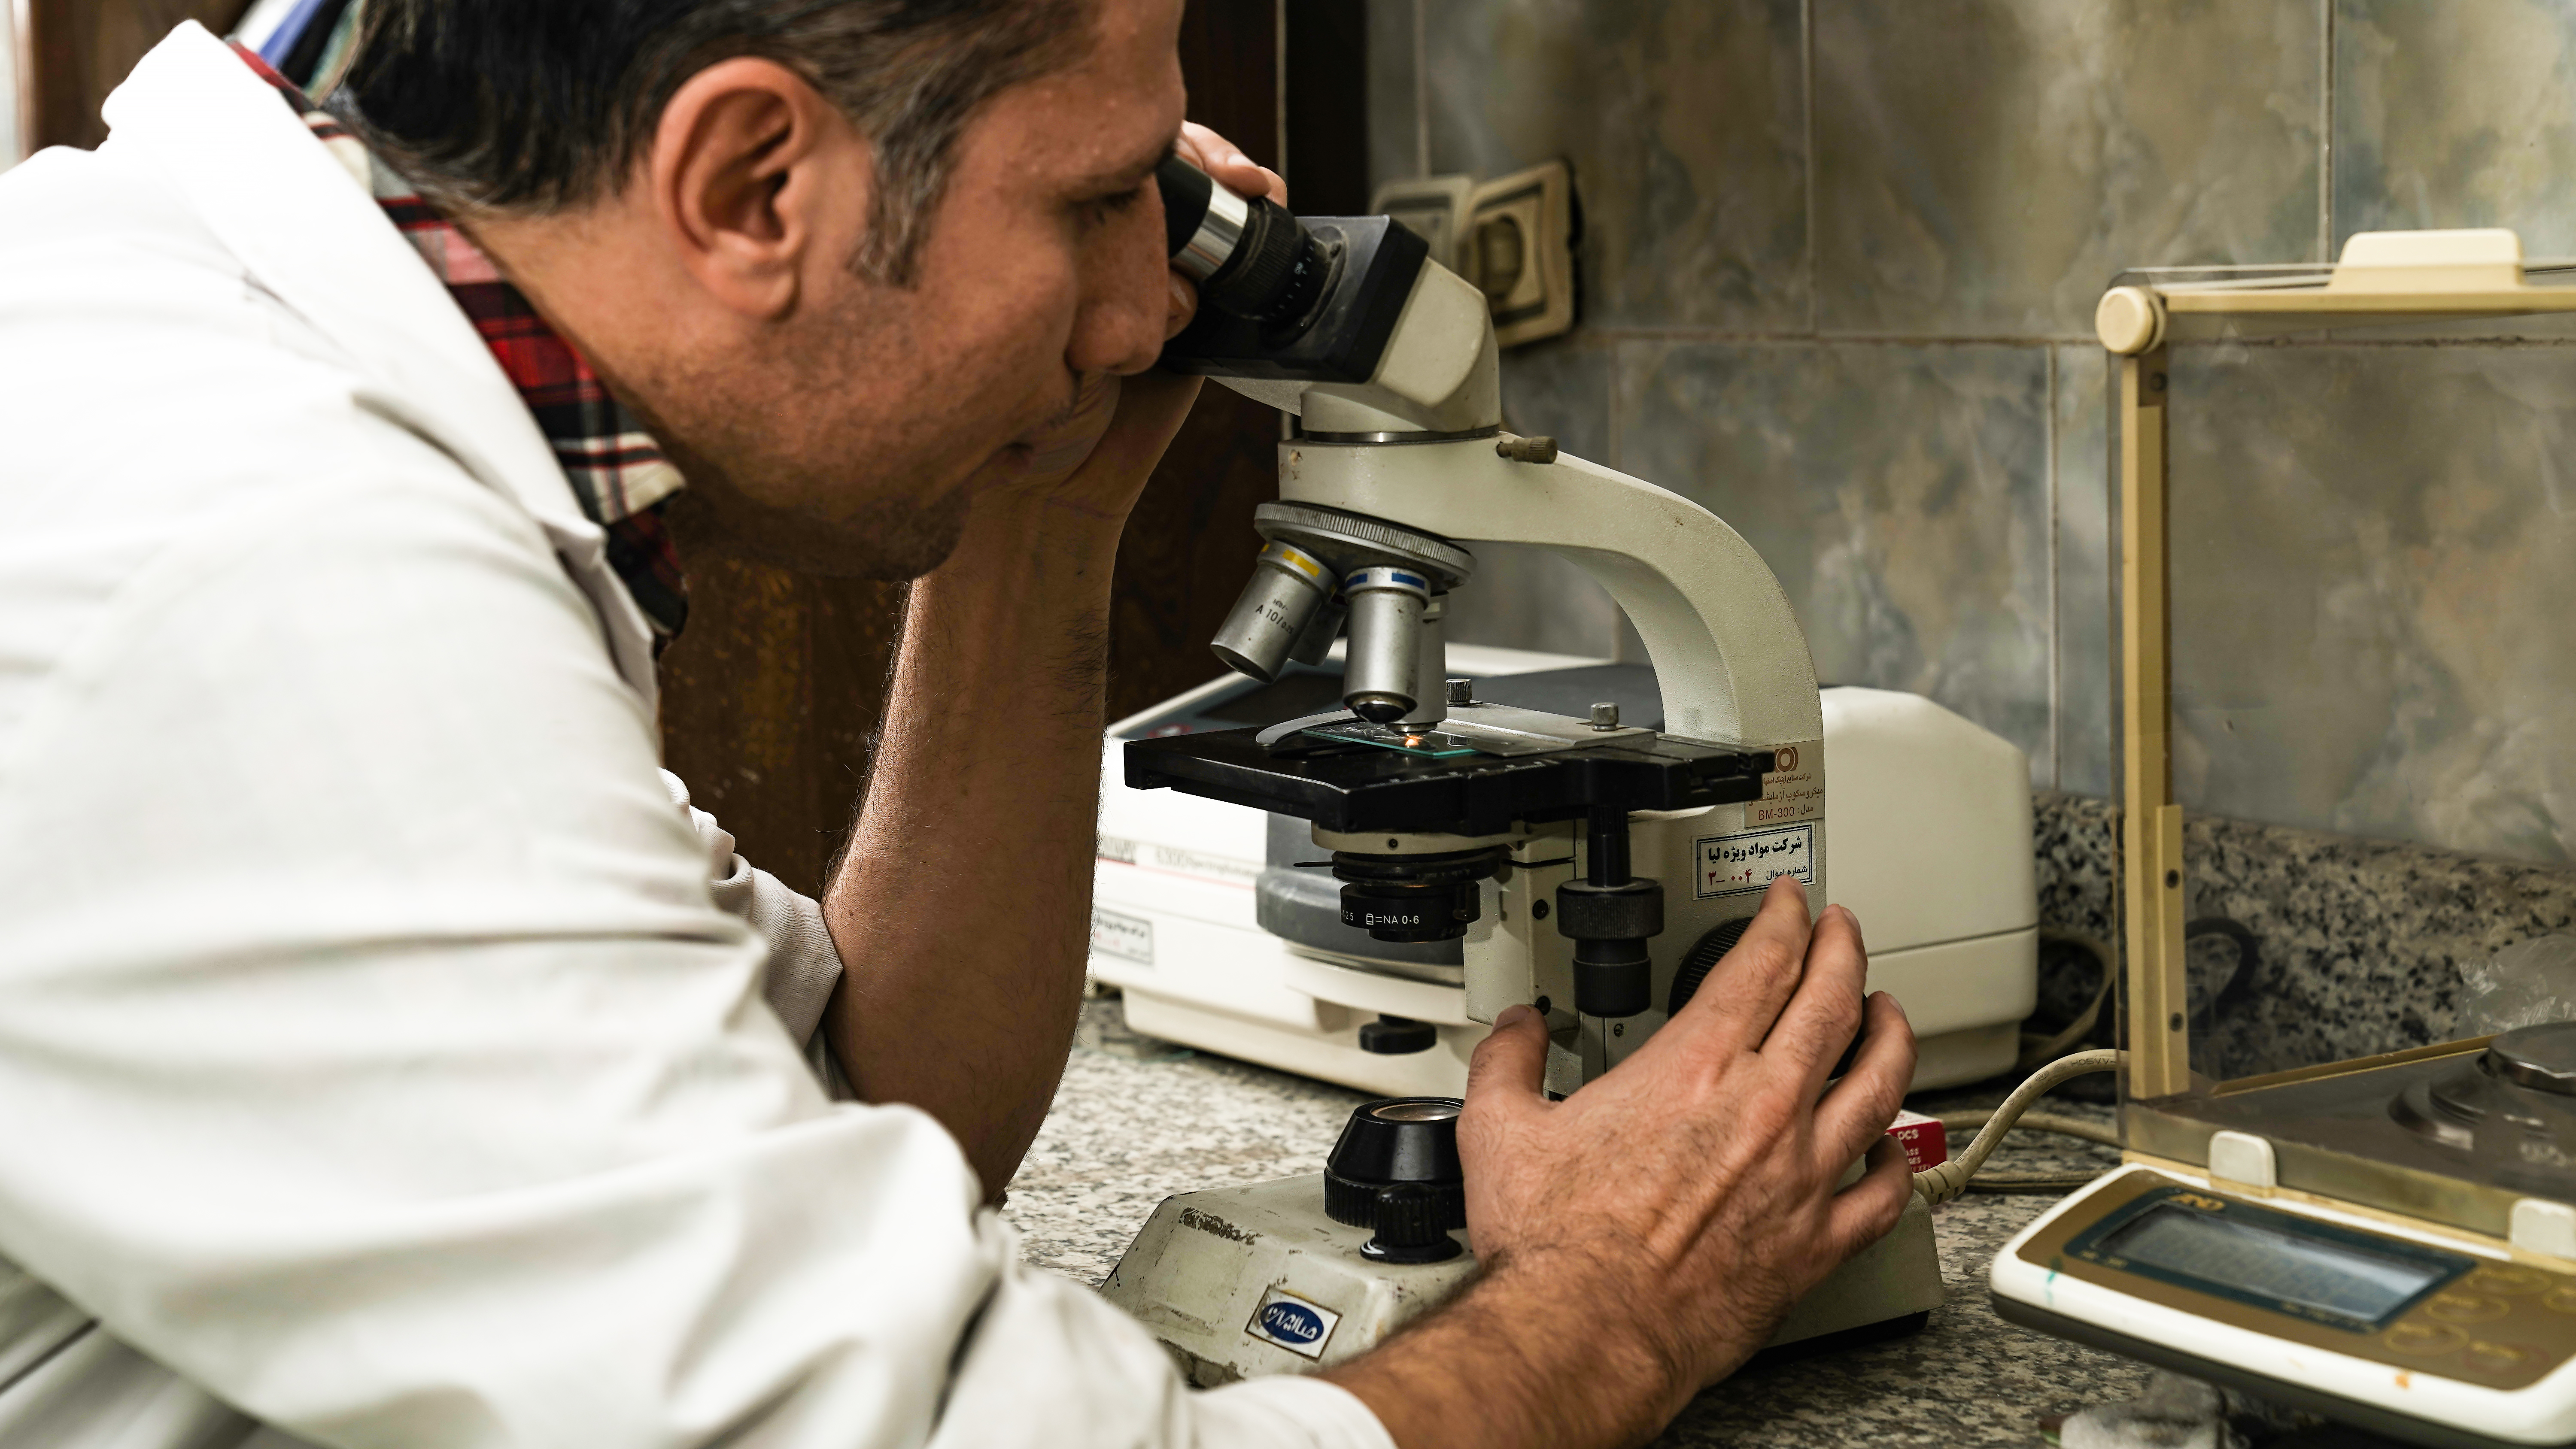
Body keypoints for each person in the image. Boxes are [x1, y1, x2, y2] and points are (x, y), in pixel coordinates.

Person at [0, 2, 1918, 1446]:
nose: (1139, 298)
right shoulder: (264, 582)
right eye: (1095, 198)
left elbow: (856, 1102)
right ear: (752, 185)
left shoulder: (262, 387)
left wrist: (1041, 506)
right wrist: (1616, 1304)